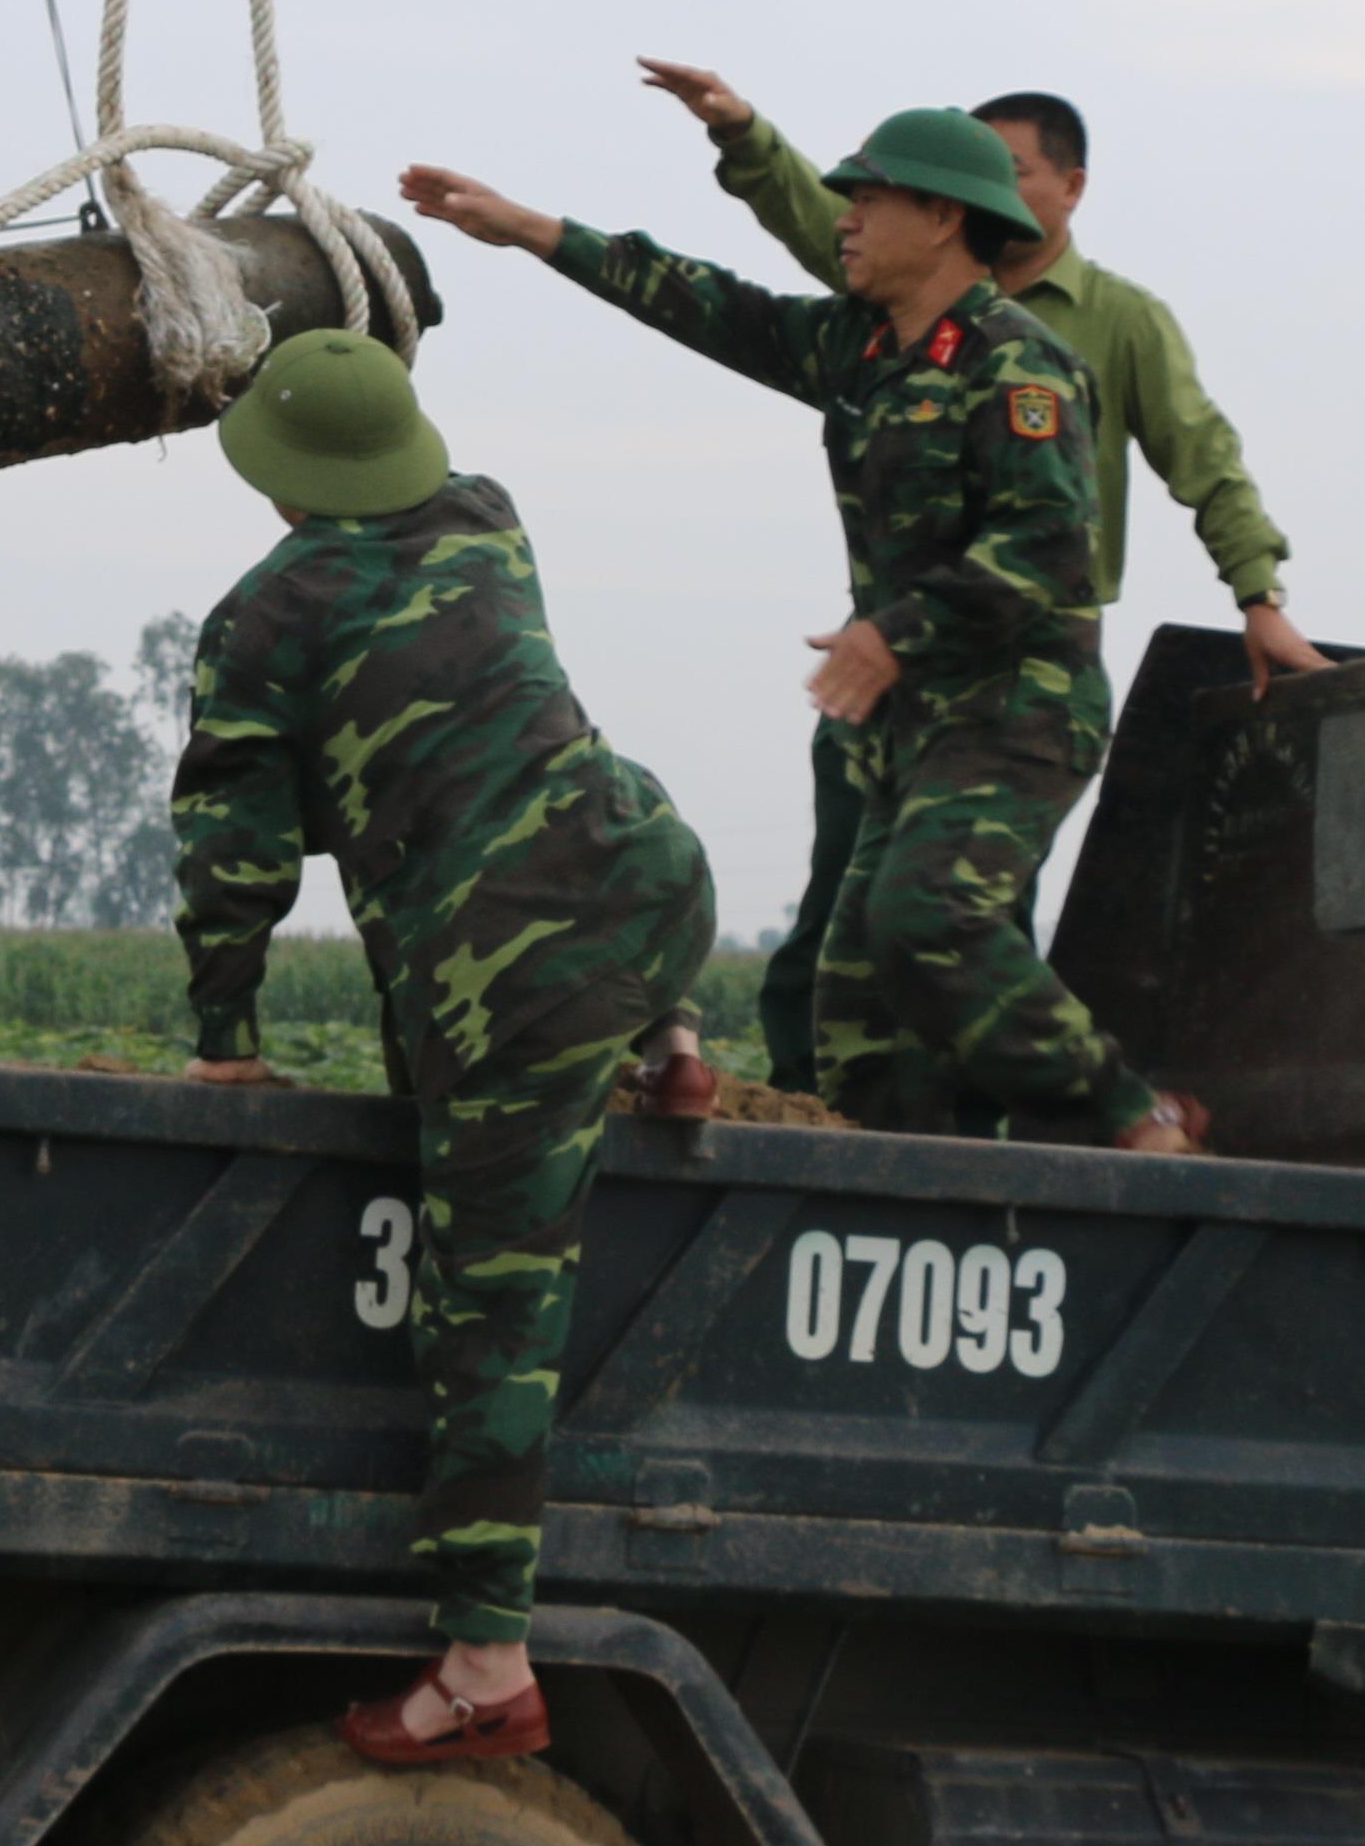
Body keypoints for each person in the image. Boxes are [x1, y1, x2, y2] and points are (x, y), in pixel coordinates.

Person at [399, 118, 1200, 1154]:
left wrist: (895, 631)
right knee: (857, 1003)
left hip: (1015, 713)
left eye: (870, 201)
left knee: (931, 921)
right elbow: (711, 305)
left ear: (946, 217)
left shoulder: (1019, 368)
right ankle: (887, 1186)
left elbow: (1050, 550)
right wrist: (534, 231)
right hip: (906, 724)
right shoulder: (858, 344)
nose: (847, 220)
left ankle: (1132, 1122)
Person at [172, 328, 719, 1768]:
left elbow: (231, 850)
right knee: (574, 810)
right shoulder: (488, 516)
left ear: (278, 475)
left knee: (488, 1312)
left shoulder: (265, 614)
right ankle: (669, 1034)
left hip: (508, 972)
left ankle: (484, 1661)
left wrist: (224, 1034)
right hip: (653, 875)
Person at [637, 61, 1315, 1090]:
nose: (991, 185)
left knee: (953, 926)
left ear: (1068, 186)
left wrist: (1257, 596)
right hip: (883, 670)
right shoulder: (901, 306)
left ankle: (1045, 1125)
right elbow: (809, 232)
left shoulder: (1106, 323)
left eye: (1012, 166)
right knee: (841, 927)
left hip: (1010, 678)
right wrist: (739, 134)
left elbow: (1200, 457)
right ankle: (822, 1115)